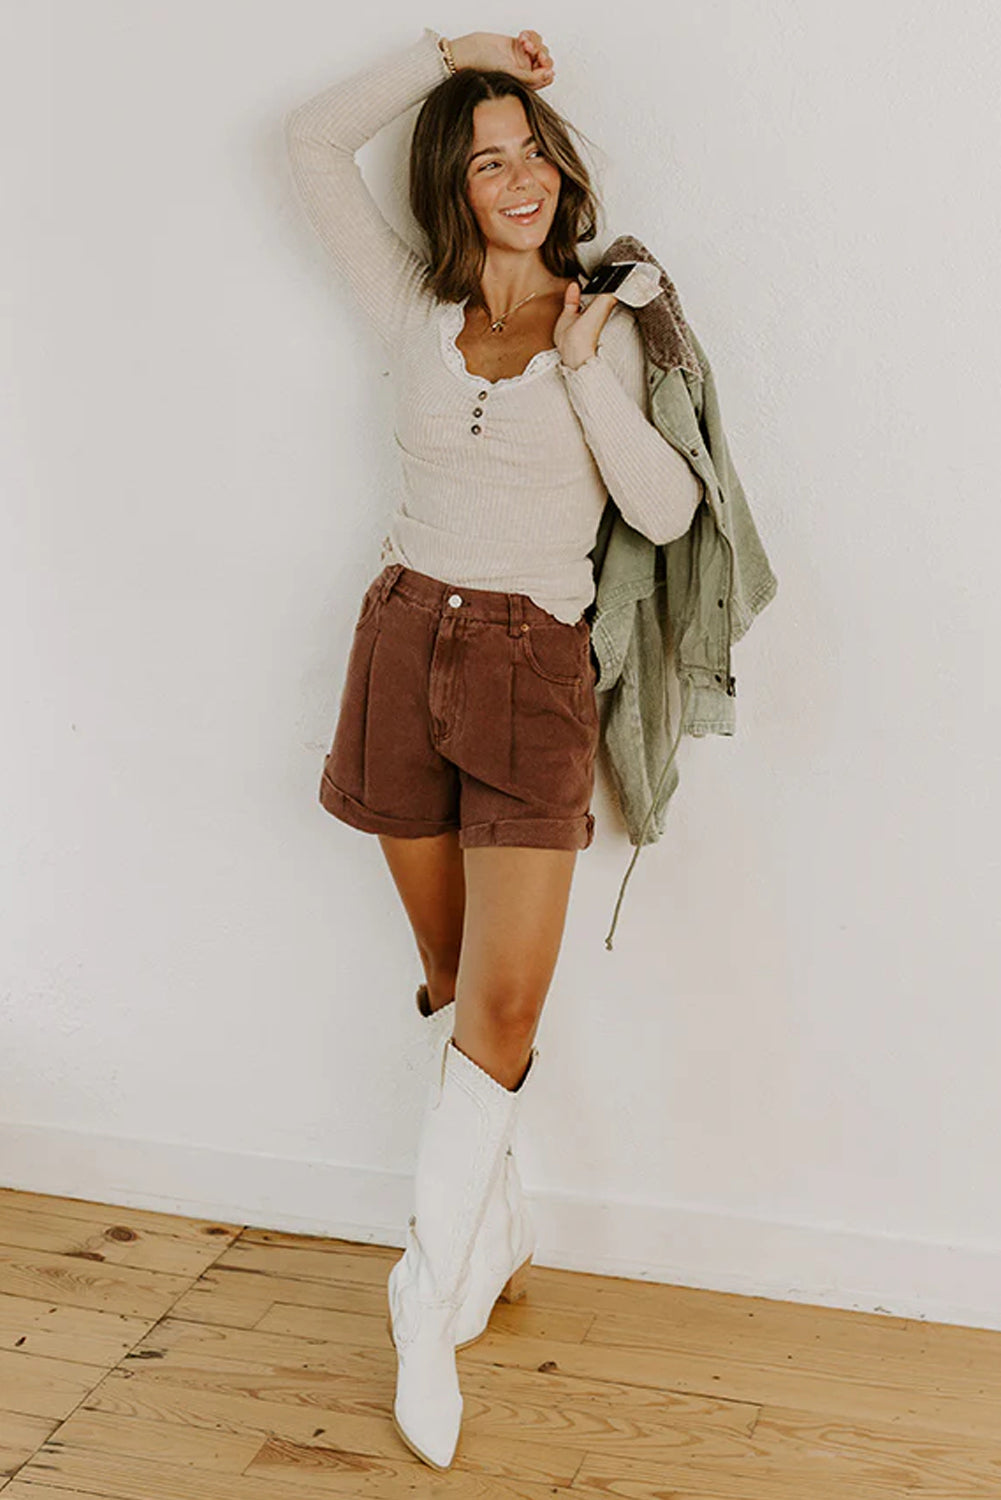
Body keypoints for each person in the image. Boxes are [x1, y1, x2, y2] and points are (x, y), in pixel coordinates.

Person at [284, 26, 702, 1470]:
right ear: (451, 188)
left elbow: (660, 511)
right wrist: (447, 52)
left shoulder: (610, 320)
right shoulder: (408, 304)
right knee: (456, 980)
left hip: (532, 670)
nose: (519, 179)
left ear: (560, 170)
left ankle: (422, 1292)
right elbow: (304, 143)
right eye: (486, 161)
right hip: (404, 644)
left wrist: (581, 367)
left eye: (532, 152)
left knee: (505, 1007)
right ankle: (492, 1227)